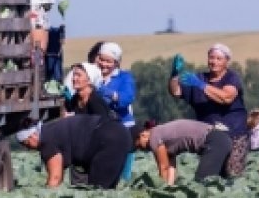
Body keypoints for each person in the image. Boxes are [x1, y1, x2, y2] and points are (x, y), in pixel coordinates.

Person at [168, 43, 249, 177]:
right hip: (210, 137)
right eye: (211, 58)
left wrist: (201, 86)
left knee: (232, 175)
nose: (214, 62)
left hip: (235, 135)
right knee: (210, 176)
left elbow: (226, 98)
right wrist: (174, 75)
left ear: (226, 61)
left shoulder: (231, 78)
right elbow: (175, 91)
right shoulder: (199, 78)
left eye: (219, 59)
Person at [16, 115, 132, 189]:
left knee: (97, 193)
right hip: (120, 132)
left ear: (33, 136)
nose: (28, 148)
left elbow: (55, 178)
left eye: (26, 143)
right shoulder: (51, 129)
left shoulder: (47, 141)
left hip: (108, 140)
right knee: (108, 190)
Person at [134, 119, 233, 185]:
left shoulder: (154, 136)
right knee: (222, 185)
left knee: (202, 184)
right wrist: (168, 188)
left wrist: (160, 189)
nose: (140, 149)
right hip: (222, 139)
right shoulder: (164, 139)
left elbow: (163, 168)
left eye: (138, 145)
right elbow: (170, 167)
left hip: (214, 141)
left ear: (143, 135)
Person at [96, 42, 138, 179]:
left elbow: (126, 99)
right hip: (102, 129)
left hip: (124, 128)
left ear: (117, 62)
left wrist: (110, 95)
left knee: (123, 174)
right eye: (101, 59)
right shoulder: (94, 77)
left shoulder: (124, 77)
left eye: (108, 61)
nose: (104, 64)